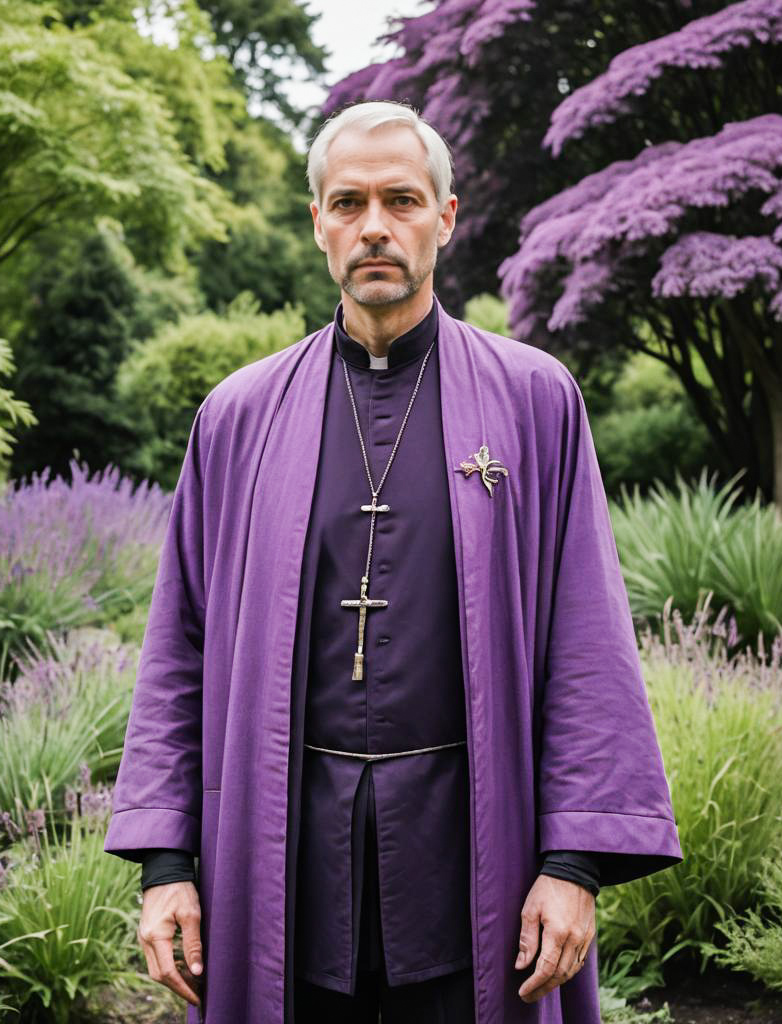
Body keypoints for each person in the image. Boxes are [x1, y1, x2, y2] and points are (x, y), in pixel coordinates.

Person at [103, 100, 683, 1024]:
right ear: (318, 224)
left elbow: (586, 642)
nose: (375, 225)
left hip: (475, 862)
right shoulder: (237, 417)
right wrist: (168, 868)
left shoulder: (535, 402)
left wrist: (572, 867)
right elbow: (179, 651)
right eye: (348, 203)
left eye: (402, 200)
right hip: (281, 859)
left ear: (445, 219)